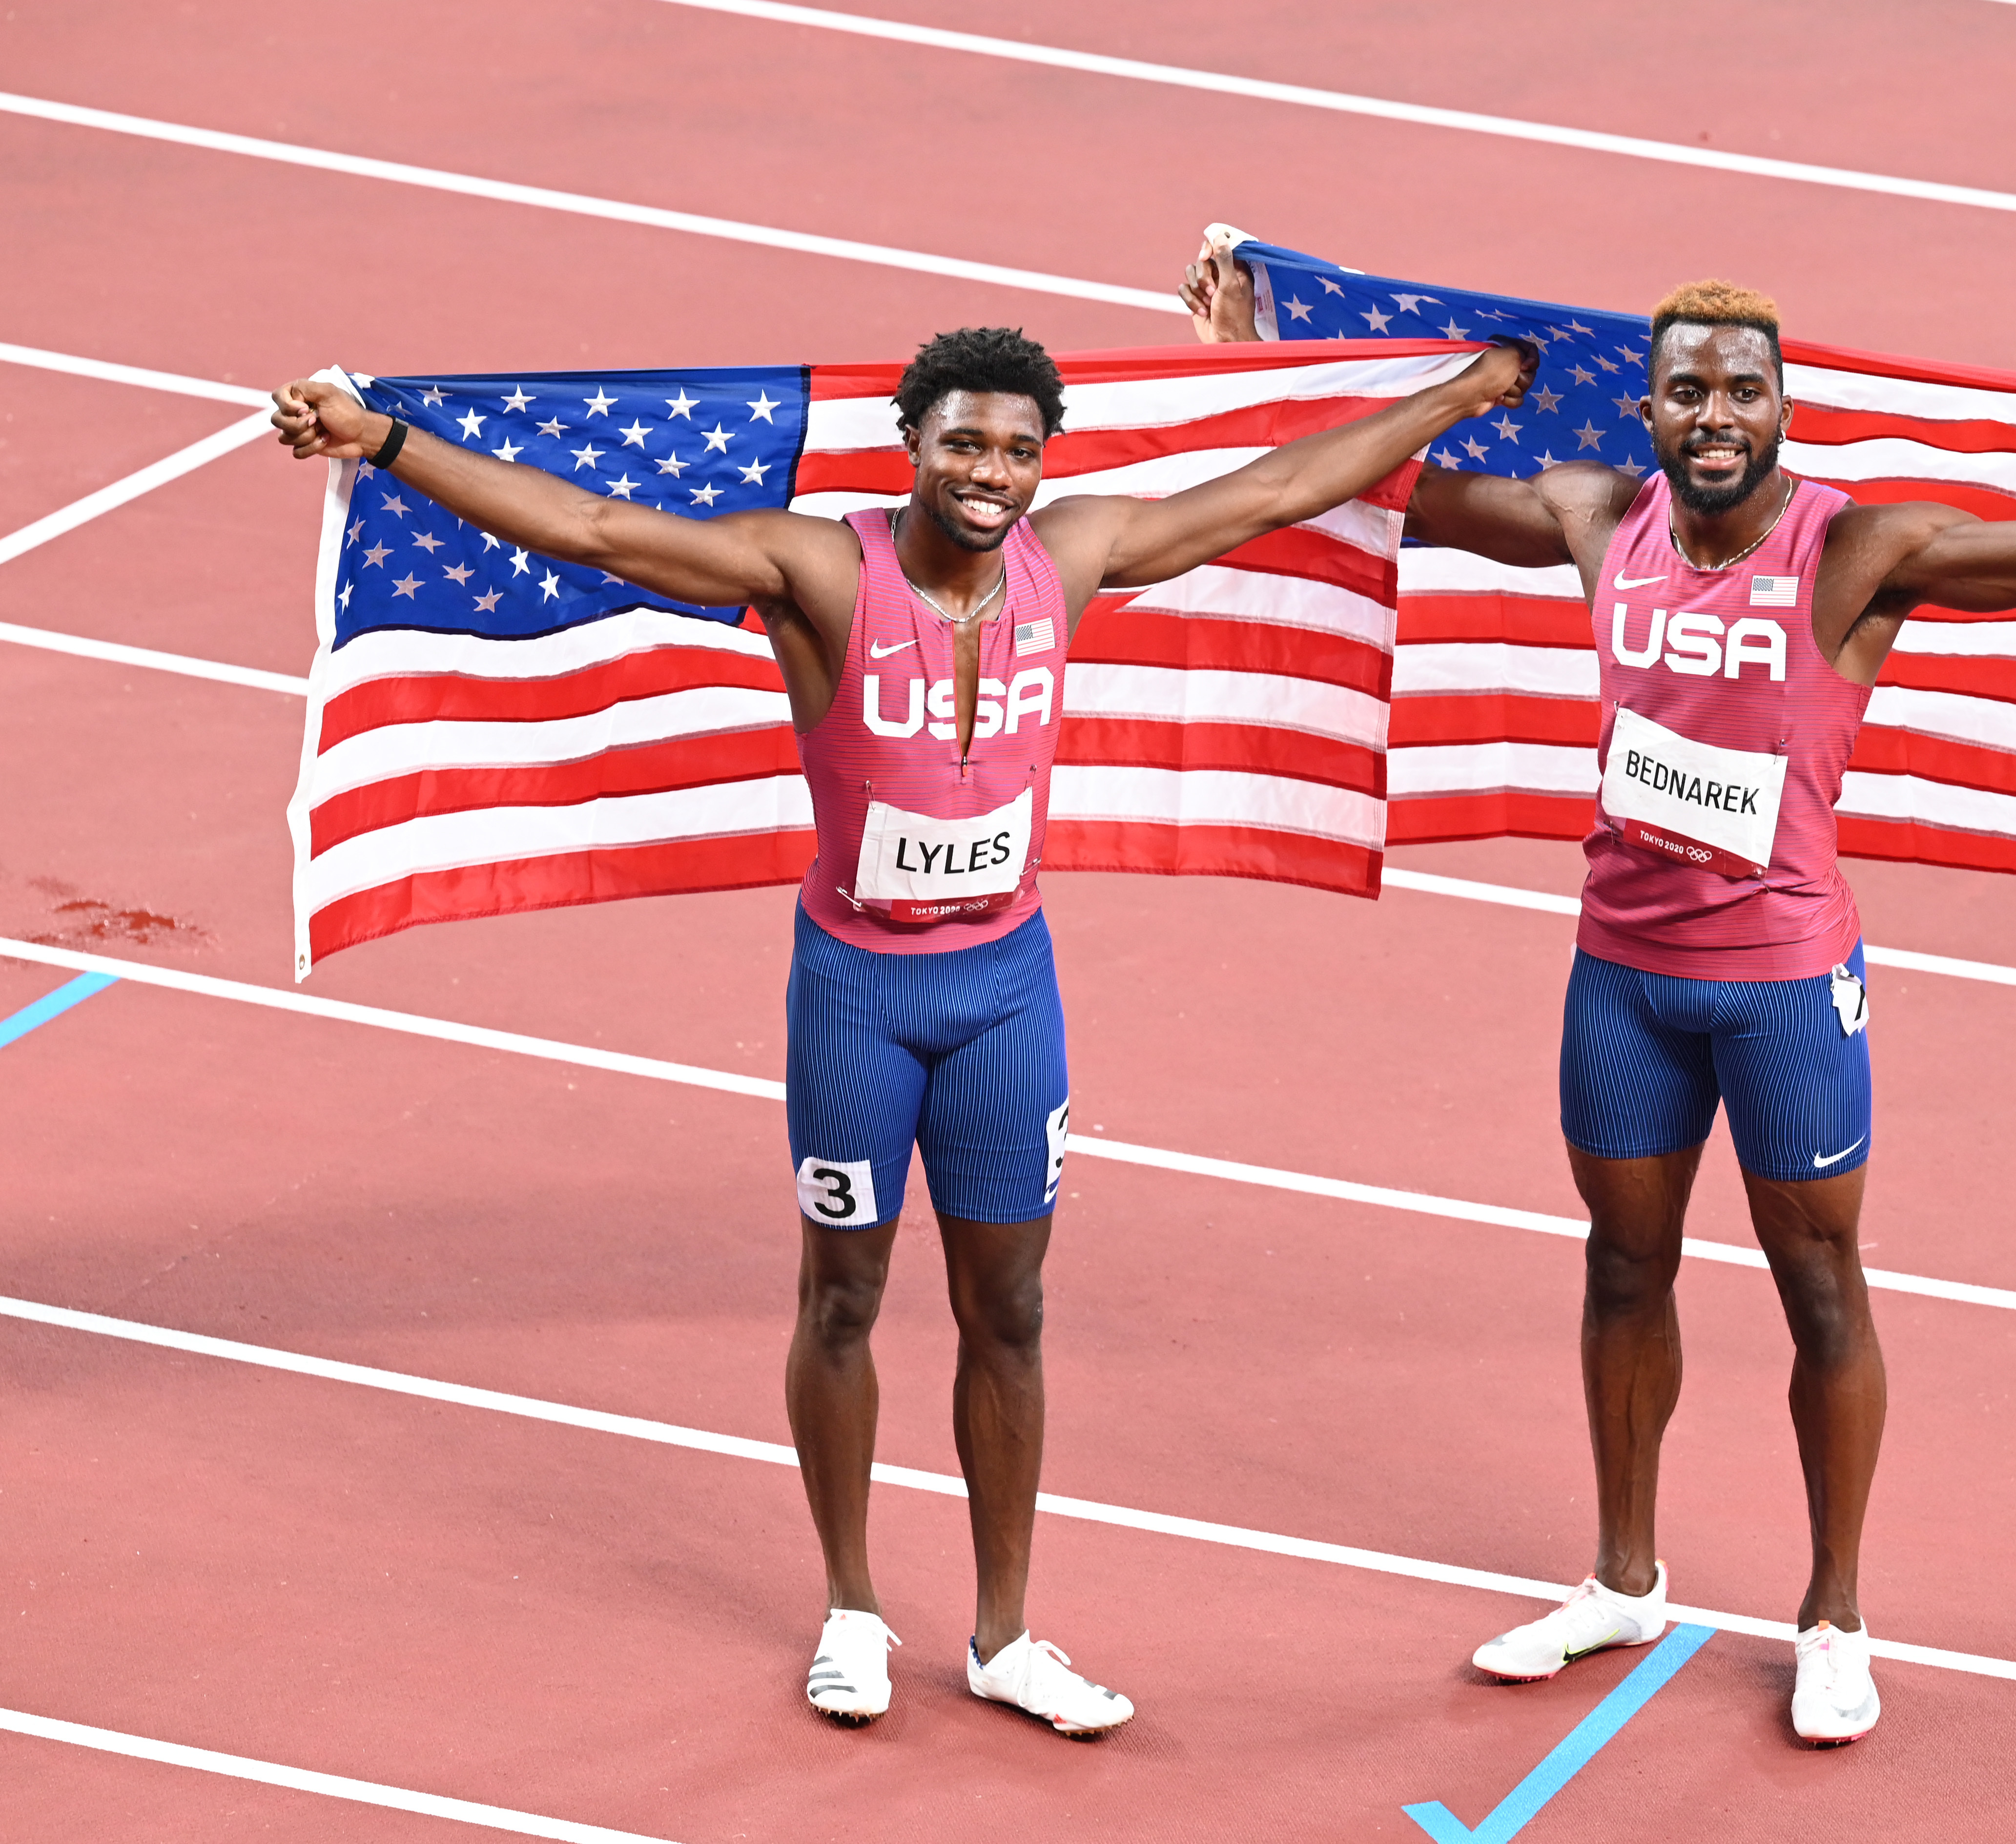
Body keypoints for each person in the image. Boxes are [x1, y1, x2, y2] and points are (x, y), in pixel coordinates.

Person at [1184, 251, 2016, 1743]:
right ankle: (1622, 1576)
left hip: (1781, 986)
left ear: (1786, 407)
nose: (1718, 414)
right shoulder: (1599, 516)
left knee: (1821, 1288)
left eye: (1745, 391)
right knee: (1620, 1266)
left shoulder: (1858, 553)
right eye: (1691, 389)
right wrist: (1256, 367)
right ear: (1647, 406)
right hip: (1624, 978)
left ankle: (1834, 1613)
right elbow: (1392, 487)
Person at [271, 326, 1535, 1736]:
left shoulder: (1077, 552)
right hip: (859, 1000)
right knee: (846, 1298)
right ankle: (854, 1608)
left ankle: (1006, 1632)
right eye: (964, 445)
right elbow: (600, 526)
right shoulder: (822, 570)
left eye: (1016, 450)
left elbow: (1275, 489)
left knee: (1014, 1310)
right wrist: (382, 440)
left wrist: (1457, 395)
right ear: (912, 448)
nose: (991, 473)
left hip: (1005, 995)